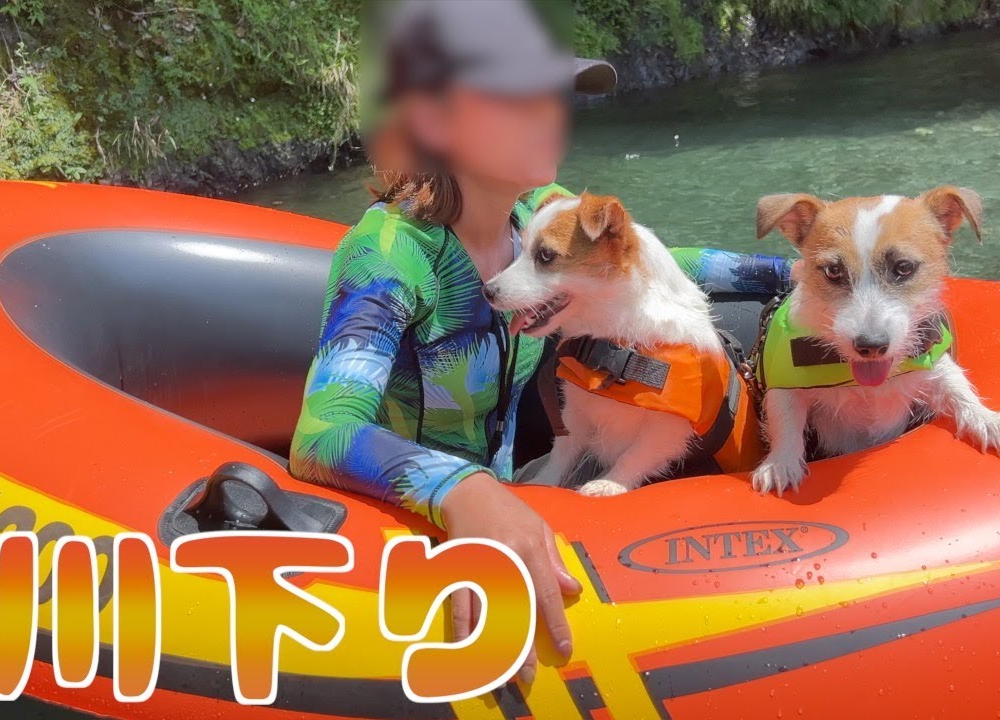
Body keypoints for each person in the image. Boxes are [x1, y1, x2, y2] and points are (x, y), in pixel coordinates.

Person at [289, 0, 793, 685]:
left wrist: (808, 273)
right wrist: (469, 495)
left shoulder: (536, 211)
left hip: (521, 487)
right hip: (406, 516)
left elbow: (656, 260)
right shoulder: (388, 258)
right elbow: (321, 435)